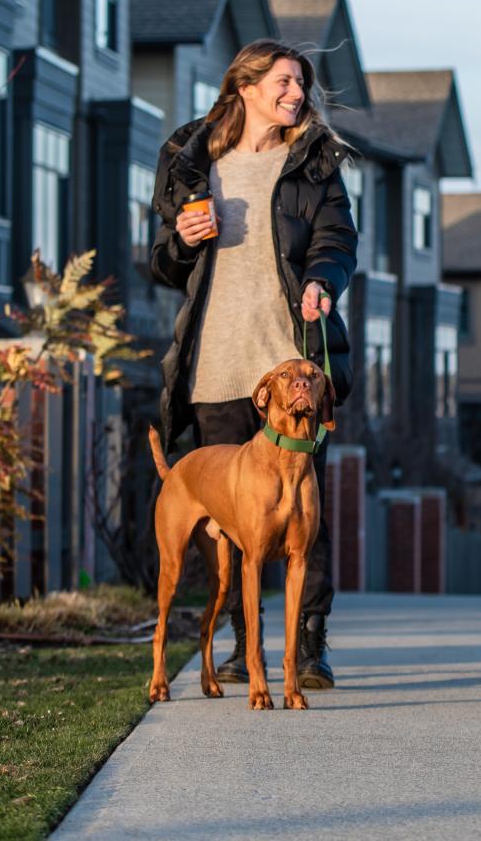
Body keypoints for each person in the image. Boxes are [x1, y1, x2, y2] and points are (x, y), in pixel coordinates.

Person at [149, 39, 356, 689]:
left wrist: (323, 280)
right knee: (228, 532)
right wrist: (181, 241)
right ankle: (245, 649)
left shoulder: (313, 161)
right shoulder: (191, 160)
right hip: (214, 367)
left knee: (301, 516)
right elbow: (159, 263)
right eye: (286, 82)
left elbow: (337, 240)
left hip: (287, 367)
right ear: (245, 83)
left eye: (302, 85)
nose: (297, 94)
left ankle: (310, 647)